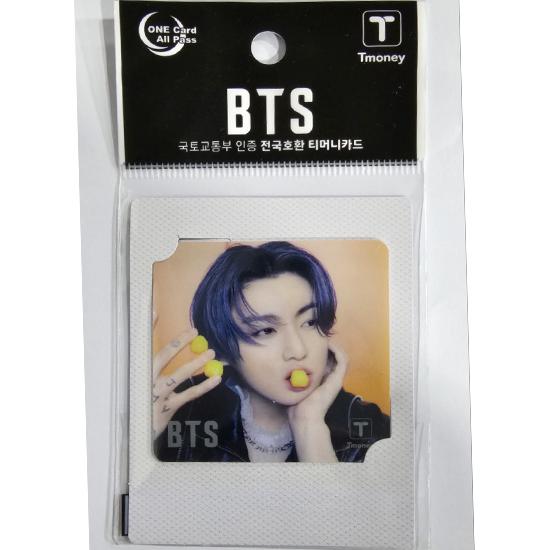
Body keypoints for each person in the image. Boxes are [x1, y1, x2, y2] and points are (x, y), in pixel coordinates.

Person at [153, 241, 390, 462]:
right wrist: (145, 437)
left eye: (310, 322)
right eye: (265, 330)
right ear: (221, 350)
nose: (298, 350)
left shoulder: (372, 428)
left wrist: (309, 427)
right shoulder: (179, 413)